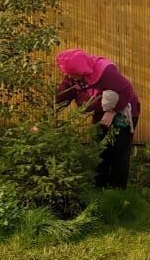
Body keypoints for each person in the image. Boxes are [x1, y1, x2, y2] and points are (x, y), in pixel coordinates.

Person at [55, 49, 141, 189]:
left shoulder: (105, 71)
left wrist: (112, 112)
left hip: (124, 111)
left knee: (118, 150)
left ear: (81, 70)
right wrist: (50, 111)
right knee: (100, 149)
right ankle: (99, 188)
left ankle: (117, 192)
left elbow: (126, 90)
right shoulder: (72, 77)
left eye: (72, 74)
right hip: (101, 111)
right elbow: (62, 96)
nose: (69, 76)